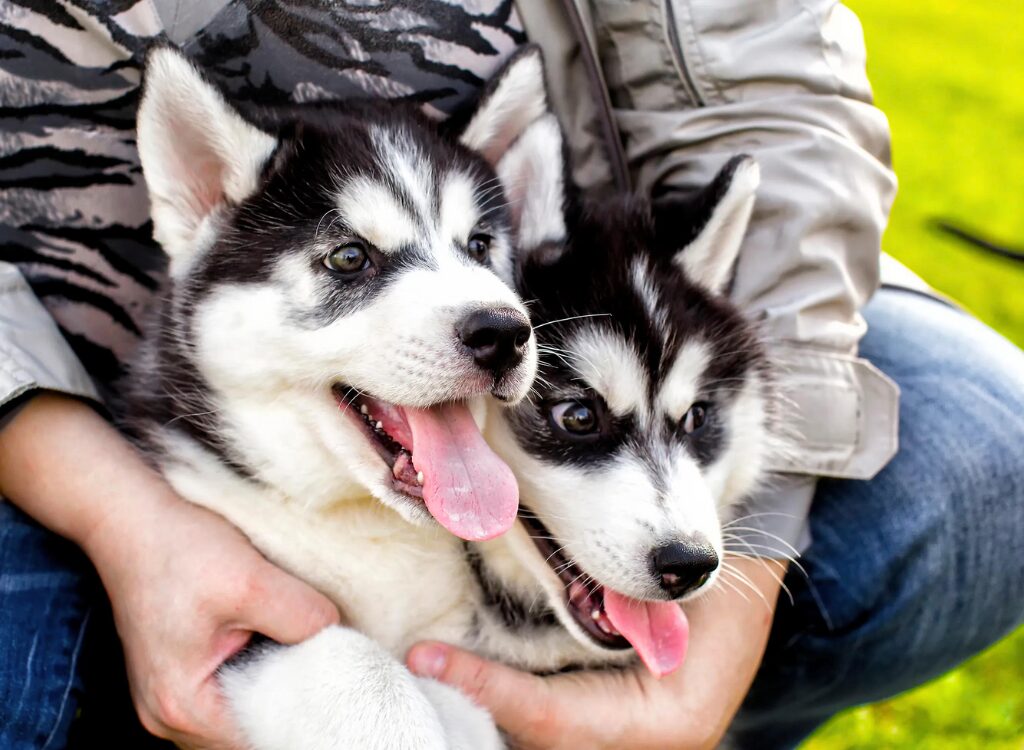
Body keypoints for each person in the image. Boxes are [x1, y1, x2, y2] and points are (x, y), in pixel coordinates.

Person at [0, 2, 1021, 749]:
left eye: (475, 247)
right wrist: (112, 510)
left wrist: (736, 614)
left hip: (596, 293)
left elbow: (767, 81)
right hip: (59, 393)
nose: (484, 310)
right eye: (353, 262)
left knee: (974, 466)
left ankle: (628, 722)